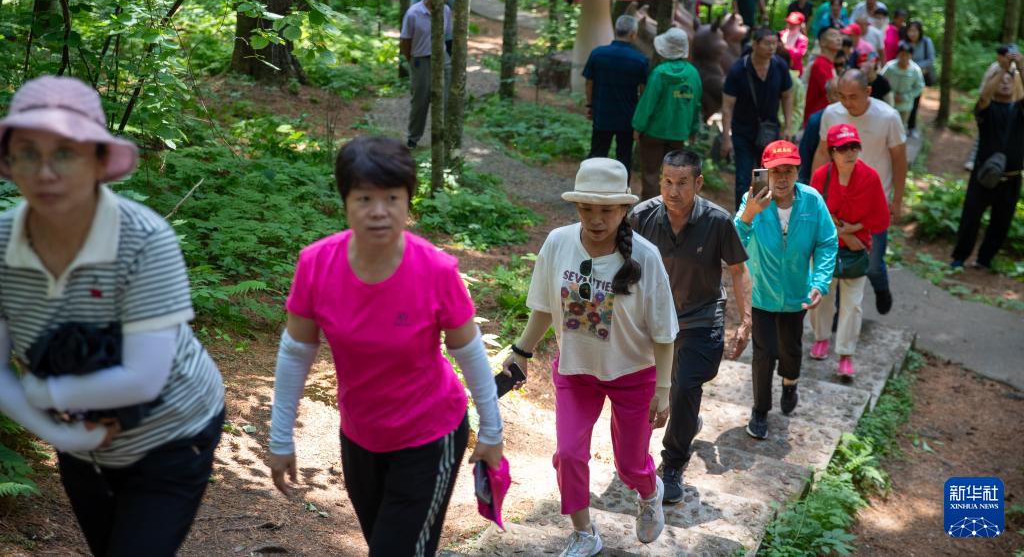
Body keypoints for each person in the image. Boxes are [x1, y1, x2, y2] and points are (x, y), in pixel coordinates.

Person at [0, 76, 225, 556]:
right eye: (27, 152)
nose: (45, 172)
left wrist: (42, 392)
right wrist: (57, 431)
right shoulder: (1, 244)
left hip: (173, 431)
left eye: (66, 152)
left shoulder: (144, 239)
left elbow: (144, 378)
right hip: (79, 444)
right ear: (8, 162)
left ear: (100, 162)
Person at [268, 136, 504, 556]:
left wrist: (492, 429)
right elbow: (296, 351)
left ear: (408, 201)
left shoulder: (435, 269)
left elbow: (468, 351)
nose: (379, 211)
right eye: (364, 198)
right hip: (360, 436)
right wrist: (280, 437)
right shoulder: (316, 264)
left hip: (430, 437)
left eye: (392, 197)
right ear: (346, 201)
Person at [502, 158, 678, 556]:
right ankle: (584, 532)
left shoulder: (646, 258)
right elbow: (546, 305)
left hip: (634, 373)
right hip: (576, 370)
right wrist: (521, 351)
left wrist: (663, 390)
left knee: (630, 466)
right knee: (567, 454)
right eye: (587, 209)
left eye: (606, 210)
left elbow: (665, 332)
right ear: (576, 207)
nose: (596, 219)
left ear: (623, 210)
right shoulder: (558, 243)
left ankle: (650, 493)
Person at [630, 150, 751, 505]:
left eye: (682, 182)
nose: (672, 190)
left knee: (683, 387)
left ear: (697, 183)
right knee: (645, 390)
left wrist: (745, 322)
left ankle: (672, 465)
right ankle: (639, 455)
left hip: (700, 317)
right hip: (652, 319)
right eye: (667, 181)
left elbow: (739, 269)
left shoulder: (717, 221)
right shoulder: (641, 216)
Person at [730, 140, 837, 440]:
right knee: (763, 353)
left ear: (798, 172)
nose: (780, 178)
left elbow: (827, 242)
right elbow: (733, 241)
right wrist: (749, 213)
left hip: (796, 294)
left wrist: (820, 282)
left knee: (790, 349)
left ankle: (790, 381)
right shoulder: (753, 199)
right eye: (775, 171)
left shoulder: (812, 201)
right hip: (762, 292)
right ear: (764, 172)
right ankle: (760, 409)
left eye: (788, 171)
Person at [814, 69, 907, 316]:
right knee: (837, 261)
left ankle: (882, 288)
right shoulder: (832, 113)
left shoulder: (888, 116)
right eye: (841, 96)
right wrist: (816, 195)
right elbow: (823, 152)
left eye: (853, 96)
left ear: (868, 92)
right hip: (837, 200)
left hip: (874, 202)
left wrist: (897, 199)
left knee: (873, 264)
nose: (846, 102)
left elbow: (899, 159)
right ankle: (837, 314)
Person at [809, 124, 890, 378]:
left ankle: (845, 354)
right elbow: (814, 215)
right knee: (821, 297)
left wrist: (857, 229)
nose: (849, 152)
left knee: (852, 305)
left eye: (854, 146)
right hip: (825, 249)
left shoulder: (870, 178)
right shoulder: (821, 176)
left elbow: (880, 218)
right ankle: (821, 338)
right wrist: (846, 233)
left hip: (856, 252)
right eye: (842, 148)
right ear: (832, 152)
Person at [951, 61, 1024, 270]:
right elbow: (983, 96)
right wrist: (1002, 69)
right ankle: (959, 258)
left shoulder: (1020, 110)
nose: (1005, 82)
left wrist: (1019, 64)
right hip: (983, 176)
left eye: (1010, 78)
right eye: (1001, 79)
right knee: (970, 219)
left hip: (1011, 178)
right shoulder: (986, 109)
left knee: (1001, 223)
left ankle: (985, 260)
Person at [720, 27, 795, 210]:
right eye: (767, 43)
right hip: (743, 131)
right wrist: (726, 137)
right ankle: (741, 218)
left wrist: (788, 126)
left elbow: (787, 96)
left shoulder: (780, 66)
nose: (772, 48)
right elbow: (727, 105)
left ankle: (760, 217)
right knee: (744, 177)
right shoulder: (739, 69)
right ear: (755, 44)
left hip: (769, 131)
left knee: (764, 176)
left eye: (774, 43)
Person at [633, 28, 702, 201]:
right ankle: (669, 209)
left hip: (653, 132)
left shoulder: (659, 73)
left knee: (651, 173)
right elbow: (696, 105)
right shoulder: (693, 74)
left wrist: (637, 126)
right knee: (674, 177)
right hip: (679, 134)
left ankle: (648, 211)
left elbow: (647, 103)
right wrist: (693, 129)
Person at [583, 15, 649, 176]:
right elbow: (643, 92)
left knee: (597, 155)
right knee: (623, 159)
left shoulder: (598, 54)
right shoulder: (640, 60)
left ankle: (591, 191)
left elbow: (589, 83)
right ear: (633, 34)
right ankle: (621, 197)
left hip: (602, 114)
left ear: (616, 30)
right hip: (627, 118)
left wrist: (590, 106)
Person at [400, 0, 452, 149]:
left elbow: (448, 36)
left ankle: (445, 137)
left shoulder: (445, 10)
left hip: (442, 58)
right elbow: (405, 40)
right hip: (420, 59)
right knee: (420, 100)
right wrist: (412, 59)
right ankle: (413, 138)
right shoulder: (413, 13)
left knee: (446, 98)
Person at [798, 79, 839, 184]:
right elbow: (806, 154)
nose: (840, 99)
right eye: (835, 94)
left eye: (842, 94)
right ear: (828, 98)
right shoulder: (816, 120)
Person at [880, 42, 925, 128]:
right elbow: (881, 81)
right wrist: (890, 95)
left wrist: (905, 97)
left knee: (901, 127)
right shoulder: (890, 67)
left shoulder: (915, 70)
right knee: (887, 126)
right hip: (889, 103)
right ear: (898, 55)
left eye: (906, 55)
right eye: (902, 55)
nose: (904, 58)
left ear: (911, 56)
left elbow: (919, 87)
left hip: (906, 105)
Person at [802, 26, 841, 126]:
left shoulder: (828, 64)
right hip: (818, 119)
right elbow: (834, 93)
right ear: (822, 42)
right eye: (833, 35)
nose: (839, 38)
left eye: (839, 35)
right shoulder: (820, 64)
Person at [903, 20, 936, 133]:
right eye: (910, 30)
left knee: (915, 100)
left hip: (919, 77)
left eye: (915, 31)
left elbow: (931, 60)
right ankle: (903, 125)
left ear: (919, 31)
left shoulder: (926, 42)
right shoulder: (903, 44)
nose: (912, 33)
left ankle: (912, 127)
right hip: (904, 77)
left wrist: (915, 67)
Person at [779, 12, 809, 77]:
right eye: (790, 23)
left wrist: (784, 49)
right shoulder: (781, 34)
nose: (791, 25)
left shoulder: (802, 39)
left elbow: (800, 53)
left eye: (794, 24)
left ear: (800, 25)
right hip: (779, 66)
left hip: (794, 70)